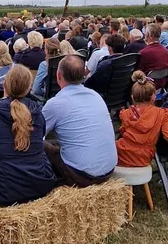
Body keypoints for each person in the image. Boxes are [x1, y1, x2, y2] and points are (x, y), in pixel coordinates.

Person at [0, 65, 57, 209]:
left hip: (0, 191)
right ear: (29, 88)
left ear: (4, 84)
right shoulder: (38, 114)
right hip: (37, 184)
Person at [42, 55, 117, 187]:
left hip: (80, 176)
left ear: (58, 75)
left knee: (39, 145)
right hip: (109, 170)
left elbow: (36, 135)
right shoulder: (96, 96)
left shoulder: (56, 104)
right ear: (83, 75)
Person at [115, 71, 168, 167]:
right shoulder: (161, 114)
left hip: (121, 155)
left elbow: (122, 131)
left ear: (132, 97)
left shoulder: (125, 114)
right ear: (153, 97)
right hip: (144, 157)